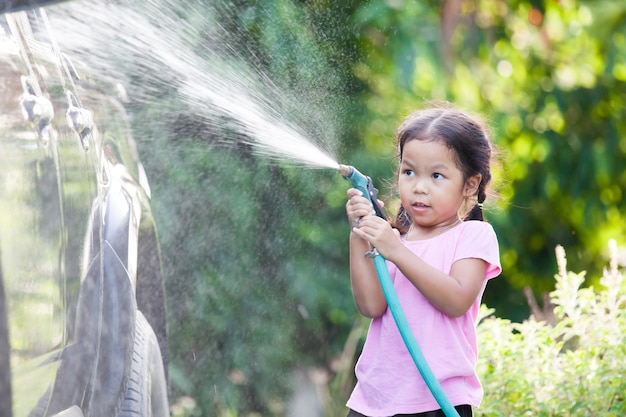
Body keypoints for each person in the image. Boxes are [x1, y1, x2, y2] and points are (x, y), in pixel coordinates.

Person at [344, 104, 501, 417]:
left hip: (436, 400)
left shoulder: (473, 236)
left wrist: (397, 251)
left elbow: (456, 299)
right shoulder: (395, 238)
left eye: (437, 175)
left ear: (470, 184)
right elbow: (373, 306)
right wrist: (360, 236)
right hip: (375, 397)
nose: (418, 186)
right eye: (409, 171)